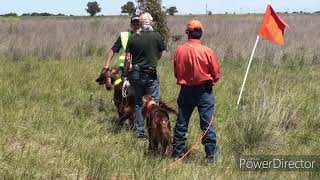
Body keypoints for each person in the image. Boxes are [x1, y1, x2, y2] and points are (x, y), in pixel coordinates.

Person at [172, 20, 221, 163]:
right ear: (201, 33)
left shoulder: (179, 50)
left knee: (181, 122)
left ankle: (177, 154)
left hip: (185, 91)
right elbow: (216, 75)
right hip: (204, 92)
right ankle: (211, 157)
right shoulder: (207, 51)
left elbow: (176, 73)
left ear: (188, 33)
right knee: (207, 125)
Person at [124, 13, 166, 138]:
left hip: (136, 74)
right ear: (151, 22)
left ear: (140, 23)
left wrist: (126, 74)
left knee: (138, 102)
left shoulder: (132, 37)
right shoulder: (157, 36)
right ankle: (153, 129)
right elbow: (159, 55)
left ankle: (140, 132)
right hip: (151, 73)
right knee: (153, 103)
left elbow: (127, 59)